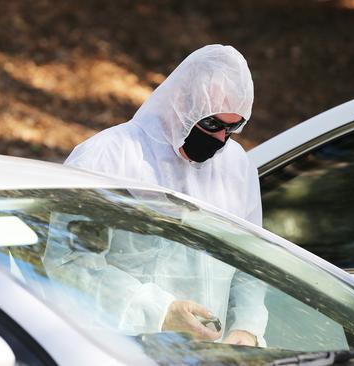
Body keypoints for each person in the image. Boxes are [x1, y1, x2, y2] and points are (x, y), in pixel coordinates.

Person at [62, 44, 267, 346]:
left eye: (233, 127)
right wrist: (160, 313)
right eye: (211, 123)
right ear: (181, 101)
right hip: (118, 349)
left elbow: (252, 260)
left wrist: (246, 329)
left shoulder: (236, 166)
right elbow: (70, 263)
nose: (220, 138)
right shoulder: (108, 157)